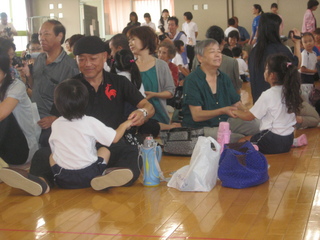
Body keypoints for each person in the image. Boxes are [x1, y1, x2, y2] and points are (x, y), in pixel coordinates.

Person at [3, 36, 155, 195]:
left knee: (132, 151)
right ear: (75, 60)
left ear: (104, 57)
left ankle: (106, 177)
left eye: (93, 59)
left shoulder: (119, 82)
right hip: (76, 147)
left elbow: (148, 106)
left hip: (109, 144)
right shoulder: (70, 87)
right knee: (42, 154)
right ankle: (42, 182)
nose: (87, 64)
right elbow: (57, 117)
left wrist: (142, 112)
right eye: (81, 59)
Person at [0, 79, 134, 195]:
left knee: (51, 155)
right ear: (85, 102)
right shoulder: (90, 121)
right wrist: (125, 124)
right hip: (90, 174)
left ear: (57, 104)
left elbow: (55, 150)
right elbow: (114, 138)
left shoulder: (56, 124)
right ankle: (103, 177)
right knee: (105, 149)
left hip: (62, 177)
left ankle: (43, 183)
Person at [181, 39, 259, 143]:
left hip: (224, 121)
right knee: (235, 138)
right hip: (201, 127)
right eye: (212, 52)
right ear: (200, 58)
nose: (218, 55)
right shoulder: (192, 80)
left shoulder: (224, 78)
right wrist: (222, 110)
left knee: (258, 125)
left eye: (219, 51)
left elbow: (236, 102)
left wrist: (248, 113)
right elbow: (197, 115)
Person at [233, 54, 305, 154]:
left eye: (266, 69)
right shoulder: (289, 91)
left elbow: (249, 117)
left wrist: (235, 111)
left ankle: (254, 149)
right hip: (288, 138)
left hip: (273, 140)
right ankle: (294, 142)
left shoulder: (268, 95)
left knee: (241, 142)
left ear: (272, 75)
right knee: (255, 137)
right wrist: (243, 107)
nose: (264, 71)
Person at [23, 20, 79, 146]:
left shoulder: (69, 67)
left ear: (59, 36)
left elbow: (74, 102)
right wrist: (28, 76)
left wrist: (56, 118)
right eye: (39, 34)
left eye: (46, 34)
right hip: (34, 119)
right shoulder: (40, 60)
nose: (41, 38)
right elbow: (35, 87)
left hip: (53, 123)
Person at [128, 26, 176, 126]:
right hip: (137, 121)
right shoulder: (130, 67)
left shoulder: (161, 65)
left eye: (133, 39)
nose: (130, 43)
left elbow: (170, 92)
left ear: (144, 40)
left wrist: (154, 94)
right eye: (129, 40)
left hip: (160, 118)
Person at [248, 13, 301, 103]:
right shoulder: (280, 50)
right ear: (274, 28)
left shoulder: (254, 51)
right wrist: (297, 42)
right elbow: (296, 65)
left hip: (259, 104)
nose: (282, 28)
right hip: (277, 105)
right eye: (281, 26)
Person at [0, 53, 40, 166]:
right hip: (4, 147)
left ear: (5, 71)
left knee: (6, 115)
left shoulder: (16, 86)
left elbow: (1, 114)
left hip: (21, 148)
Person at [192, 25, 241, 93]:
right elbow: (236, 88)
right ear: (223, 41)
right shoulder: (232, 63)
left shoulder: (197, 58)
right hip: (226, 102)